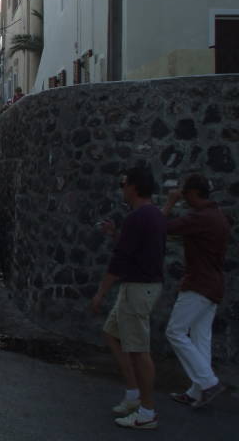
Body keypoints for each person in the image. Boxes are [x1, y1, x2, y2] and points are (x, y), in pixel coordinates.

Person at [91, 167, 166, 430]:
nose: (122, 188)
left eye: (124, 184)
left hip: (138, 288)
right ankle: (134, 394)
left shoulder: (138, 218)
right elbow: (134, 249)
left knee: (138, 350)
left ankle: (147, 411)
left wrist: (101, 292)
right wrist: (115, 234)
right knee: (112, 333)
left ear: (133, 187)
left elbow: (120, 260)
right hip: (140, 286)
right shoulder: (153, 215)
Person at [162, 174, 229, 409]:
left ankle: (209, 383)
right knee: (201, 339)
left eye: (184, 193)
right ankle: (197, 391)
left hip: (198, 284)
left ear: (192, 193)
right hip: (214, 284)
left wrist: (169, 203)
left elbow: (161, 227)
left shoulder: (200, 217)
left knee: (175, 332)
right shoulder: (217, 215)